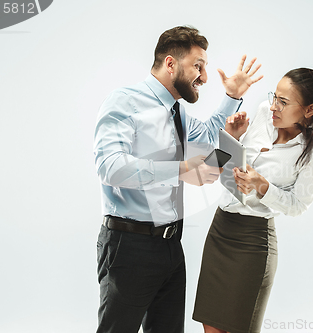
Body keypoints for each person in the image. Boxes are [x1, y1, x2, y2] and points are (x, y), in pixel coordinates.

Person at [93, 25, 263, 333]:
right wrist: (182, 169)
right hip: (129, 245)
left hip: (170, 247)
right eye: (198, 66)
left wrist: (232, 97)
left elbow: (210, 135)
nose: (205, 77)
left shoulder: (176, 112)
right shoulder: (124, 102)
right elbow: (110, 166)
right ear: (171, 64)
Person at [193, 68, 313, 333]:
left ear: (309, 110)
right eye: (274, 97)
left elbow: (298, 205)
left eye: (283, 102)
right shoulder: (262, 115)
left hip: (253, 243)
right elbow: (214, 169)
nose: (273, 106)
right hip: (221, 231)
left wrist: (262, 186)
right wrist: (230, 137)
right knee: (211, 328)